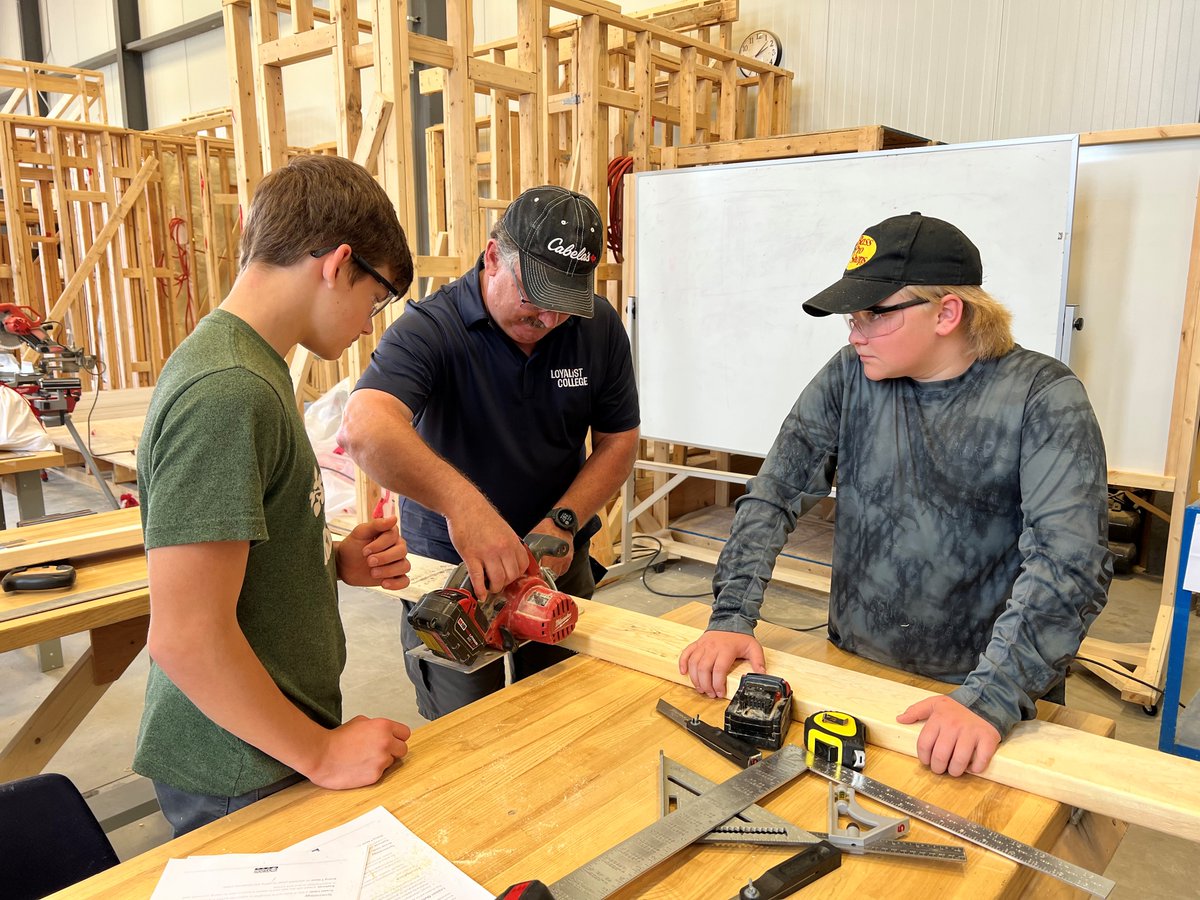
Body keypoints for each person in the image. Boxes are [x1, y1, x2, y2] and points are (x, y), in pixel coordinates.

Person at [679, 212, 1112, 777]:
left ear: (947, 313)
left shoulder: (1043, 396)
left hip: (986, 697)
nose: (855, 333)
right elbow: (774, 493)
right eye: (852, 317)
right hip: (853, 669)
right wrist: (730, 615)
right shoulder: (851, 374)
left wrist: (991, 696)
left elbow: (1070, 564)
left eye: (875, 314)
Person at [134, 154, 417, 836]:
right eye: (377, 297)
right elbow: (186, 636)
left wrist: (328, 561)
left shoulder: (253, 368)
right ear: (339, 264)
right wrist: (320, 752)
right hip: (240, 764)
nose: (370, 324)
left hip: (260, 742)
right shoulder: (228, 390)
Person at [338, 185, 640, 720]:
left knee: (563, 718)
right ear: (494, 256)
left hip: (555, 562)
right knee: (467, 734)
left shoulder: (597, 327)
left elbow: (619, 440)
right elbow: (364, 428)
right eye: (535, 296)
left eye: (564, 304)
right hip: (454, 578)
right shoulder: (432, 329)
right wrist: (467, 509)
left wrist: (564, 520)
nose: (548, 319)